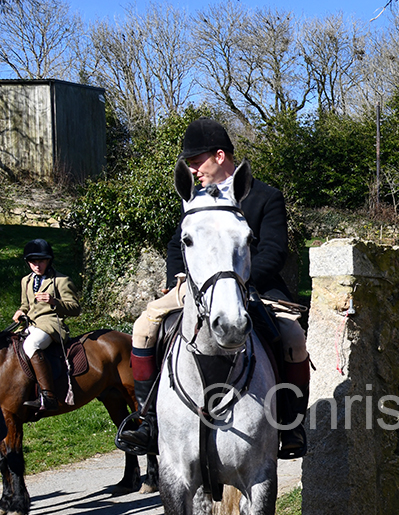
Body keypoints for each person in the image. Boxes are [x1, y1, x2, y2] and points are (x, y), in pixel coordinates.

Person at [117, 117, 310, 459]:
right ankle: (147, 420)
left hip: (256, 286)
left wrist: (240, 282)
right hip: (196, 287)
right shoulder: (192, 198)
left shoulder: (265, 196)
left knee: (293, 338)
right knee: (143, 328)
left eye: (196, 162)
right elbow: (177, 246)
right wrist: (176, 280)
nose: (192, 169)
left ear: (220, 156)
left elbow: (274, 251)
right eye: (189, 164)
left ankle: (290, 425)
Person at [12, 239, 81, 413]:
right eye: (33, 262)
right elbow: (25, 305)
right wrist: (20, 312)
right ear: (28, 262)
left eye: (41, 261)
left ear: (48, 260)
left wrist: (54, 301)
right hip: (30, 324)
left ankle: (48, 396)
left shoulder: (61, 280)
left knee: (31, 345)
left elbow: (75, 309)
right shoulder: (26, 281)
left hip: (51, 325)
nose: (37, 265)